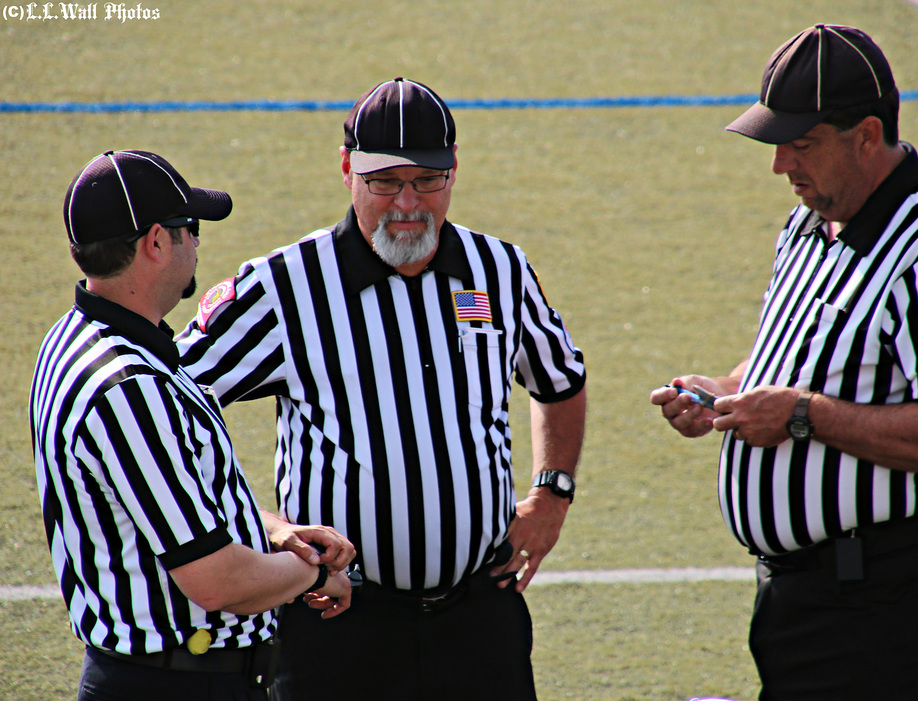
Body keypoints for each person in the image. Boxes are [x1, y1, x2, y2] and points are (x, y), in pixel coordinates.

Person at [176, 77, 588, 700]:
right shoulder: (286, 287)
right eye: (385, 182)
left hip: (479, 619)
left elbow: (559, 379)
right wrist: (269, 529)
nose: (407, 204)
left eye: (426, 181)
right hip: (337, 625)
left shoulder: (497, 270)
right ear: (346, 170)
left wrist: (552, 493)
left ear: (454, 173)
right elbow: (165, 410)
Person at [650, 25, 918, 701]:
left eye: (802, 143)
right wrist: (722, 391)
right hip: (803, 593)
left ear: (866, 136)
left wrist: (804, 417)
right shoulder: (811, 223)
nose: (781, 164)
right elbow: (794, 359)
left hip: (882, 600)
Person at [30, 150, 357, 701]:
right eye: (190, 229)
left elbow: (162, 499)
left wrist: (274, 532)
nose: (198, 243)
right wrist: (316, 574)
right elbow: (217, 581)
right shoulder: (129, 386)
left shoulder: (79, 339)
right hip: (174, 684)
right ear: (157, 242)